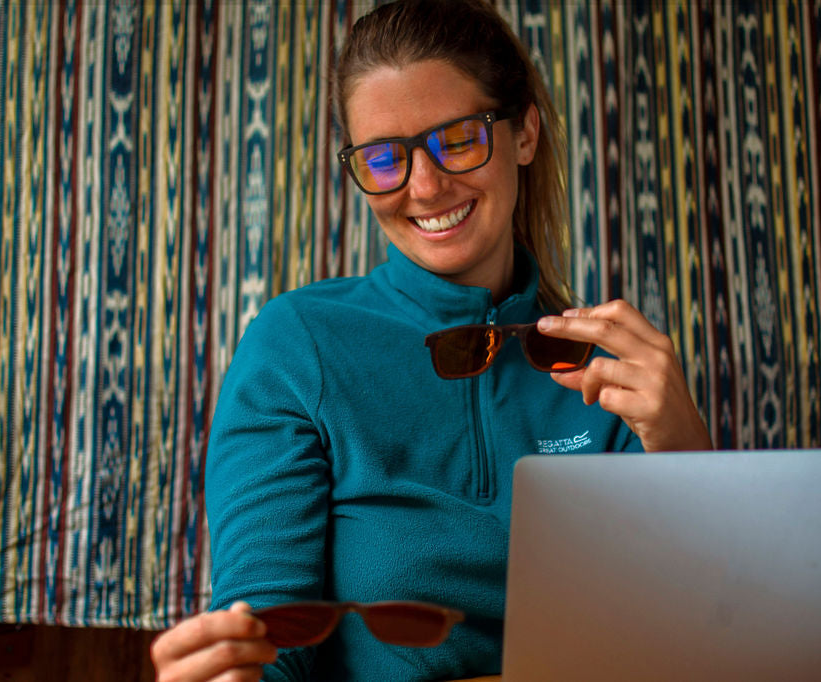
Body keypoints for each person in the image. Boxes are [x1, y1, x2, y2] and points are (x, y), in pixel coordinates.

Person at [151, 0, 712, 680]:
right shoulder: (296, 346)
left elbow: (696, 640)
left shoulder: (616, 372)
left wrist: (690, 457)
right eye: (383, 158)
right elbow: (269, 644)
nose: (424, 186)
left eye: (459, 139)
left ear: (525, 134)